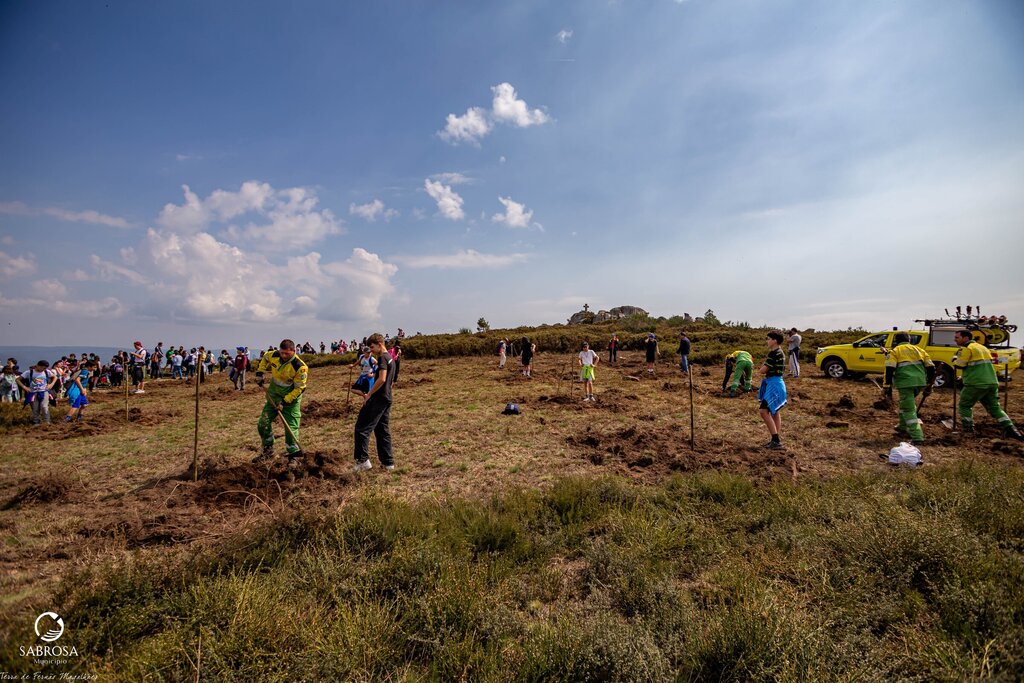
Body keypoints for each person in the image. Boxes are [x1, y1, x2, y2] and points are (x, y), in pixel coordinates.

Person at [952, 330, 1023, 439]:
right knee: (995, 408)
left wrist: (954, 359)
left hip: (976, 383)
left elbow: (959, 365)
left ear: (966, 338)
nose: (955, 340)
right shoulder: (983, 348)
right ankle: (1012, 430)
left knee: (964, 406)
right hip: (991, 382)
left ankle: (968, 430)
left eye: (957, 337)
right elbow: (979, 366)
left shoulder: (967, 348)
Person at [254, 339, 309, 467]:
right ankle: (268, 450)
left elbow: (299, 389)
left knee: (291, 428)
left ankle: (294, 455)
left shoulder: (300, 367)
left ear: (294, 351)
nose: (283, 356)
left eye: (287, 353)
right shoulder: (273, 355)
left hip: (290, 401)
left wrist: (285, 402)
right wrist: (260, 373)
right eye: (282, 352)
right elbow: (265, 358)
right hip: (273, 396)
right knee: (263, 423)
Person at [354, 333, 396, 472]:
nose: (371, 350)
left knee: (362, 428)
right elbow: (391, 381)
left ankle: (362, 461)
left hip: (378, 398)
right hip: (387, 397)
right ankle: (388, 463)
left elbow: (382, 379)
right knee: (382, 430)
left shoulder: (383, 358)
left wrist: (369, 394)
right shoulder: (390, 358)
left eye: (372, 347)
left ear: (380, 344)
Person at [882, 331, 934, 444]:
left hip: (905, 383)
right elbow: (931, 368)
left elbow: (889, 369)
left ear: (896, 341)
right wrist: (930, 384)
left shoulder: (895, 351)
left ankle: (917, 437)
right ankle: (902, 427)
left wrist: (886, 386)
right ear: (909, 340)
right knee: (905, 404)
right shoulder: (920, 350)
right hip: (920, 382)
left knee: (908, 409)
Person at [758, 331, 788, 449]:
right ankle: (775, 439)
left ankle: (776, 440)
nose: (767, 341)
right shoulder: (781, 352)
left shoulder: (773, 353)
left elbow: (763, 370)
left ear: (775, 340)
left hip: (774, 385)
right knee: (775, 411)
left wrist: (761, 367)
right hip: (778, 383)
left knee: (763, 411)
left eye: (769, 338)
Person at [17, 360, 57, 425]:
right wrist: (25, 387)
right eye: (43, 368)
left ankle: (47, 422)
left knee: (44, 406)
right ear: (38, 366)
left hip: (44, 391)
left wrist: (51, 384)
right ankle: (36, 422)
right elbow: (17, 379)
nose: (43, 369)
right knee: (35, 408)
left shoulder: (47, 372)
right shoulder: (29, 372)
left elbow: (55, 377)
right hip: (33, 392)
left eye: (45, 368)